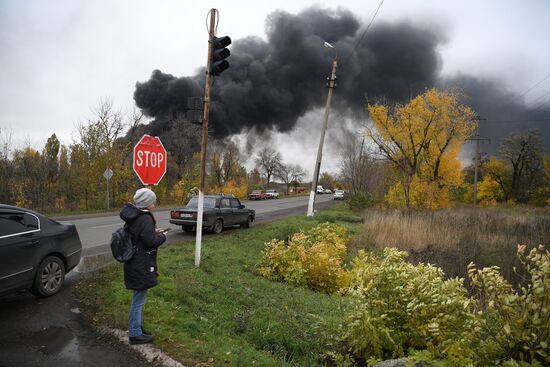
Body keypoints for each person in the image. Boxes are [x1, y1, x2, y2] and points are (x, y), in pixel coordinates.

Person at [120, 187, 167, 345]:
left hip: (135, 262)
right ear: (147, 203)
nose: (154, 203)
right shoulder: (145, 218)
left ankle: (138, 328)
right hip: (140, 264)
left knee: (139, 297)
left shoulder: (135, 215)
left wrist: (154, 232)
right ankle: (135, 334)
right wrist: (161, 236)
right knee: (138, 300)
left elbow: (142, 236)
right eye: (153, 201)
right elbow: (150, 242)